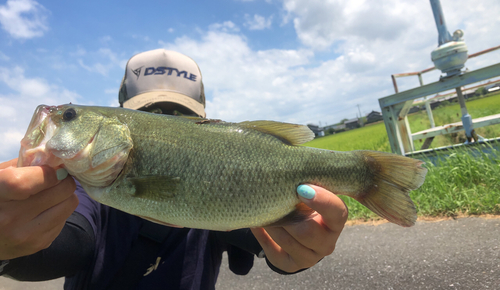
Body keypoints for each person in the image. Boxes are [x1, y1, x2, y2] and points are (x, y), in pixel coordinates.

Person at [0, 49, 348, 289]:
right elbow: (66, 245)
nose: (164, 129)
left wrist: (300, 251)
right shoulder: (79, 191)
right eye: (149, 116)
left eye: (179, 120)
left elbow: (268, 241)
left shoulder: (224, 181)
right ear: (125, 115)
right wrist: (7, 248)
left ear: (206, 122)